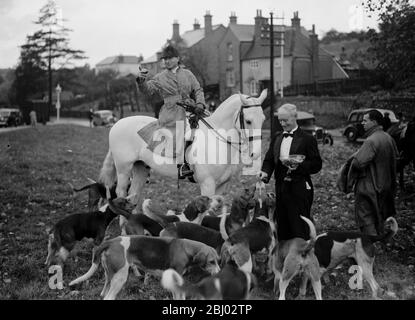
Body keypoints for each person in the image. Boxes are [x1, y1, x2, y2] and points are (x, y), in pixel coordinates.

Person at [136, 45, 206, 179]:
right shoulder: (160, 77)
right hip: (171, 112)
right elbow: (147, 90)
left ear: (177, 58)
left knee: (207, 127)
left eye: (169, 58)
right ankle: (182, 166)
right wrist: (141, 80)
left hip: (190, 108)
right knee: (180, 131)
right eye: (164, 59)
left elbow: (198, 89)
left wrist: (200, 103)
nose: (166, 61)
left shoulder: (188, 74)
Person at [258, 104, 322, 241]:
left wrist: (299, 165)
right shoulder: (277, 137)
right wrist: (265, 173)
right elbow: (269, 159)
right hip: (281, 189)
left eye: (285, 120)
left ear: (294, 117)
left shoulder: (307, 139)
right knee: (282, 226)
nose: (282, 123)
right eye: (280, 120)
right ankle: (286, 258)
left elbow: (317, 164)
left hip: (300, 189)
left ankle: (301, 257)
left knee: (299, 227)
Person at [349, 109, 399, 236]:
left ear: (374, 122)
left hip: (369, 187)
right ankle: (380, 240)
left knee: (366, 218)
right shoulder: (388, 138)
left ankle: (370, 246)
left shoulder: (371, 140)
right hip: (386, 186)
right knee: (380, 216)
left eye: (365, 120)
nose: (362, 123)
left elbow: (358, 163)